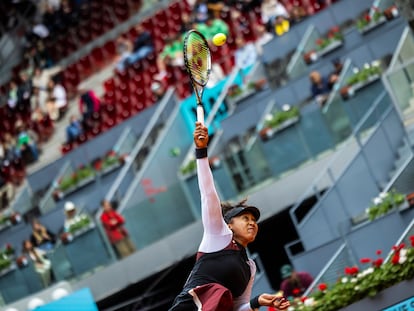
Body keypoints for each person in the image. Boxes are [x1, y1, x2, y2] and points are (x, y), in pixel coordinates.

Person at [169, 122, 290, 310]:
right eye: (245, 219)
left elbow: (237, 308)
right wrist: (201, 152)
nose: (252, 223)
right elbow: (208, 193)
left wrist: (257, 302)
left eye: (254, 220)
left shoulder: (249, 268)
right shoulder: (218, 236)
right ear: (229, 225)